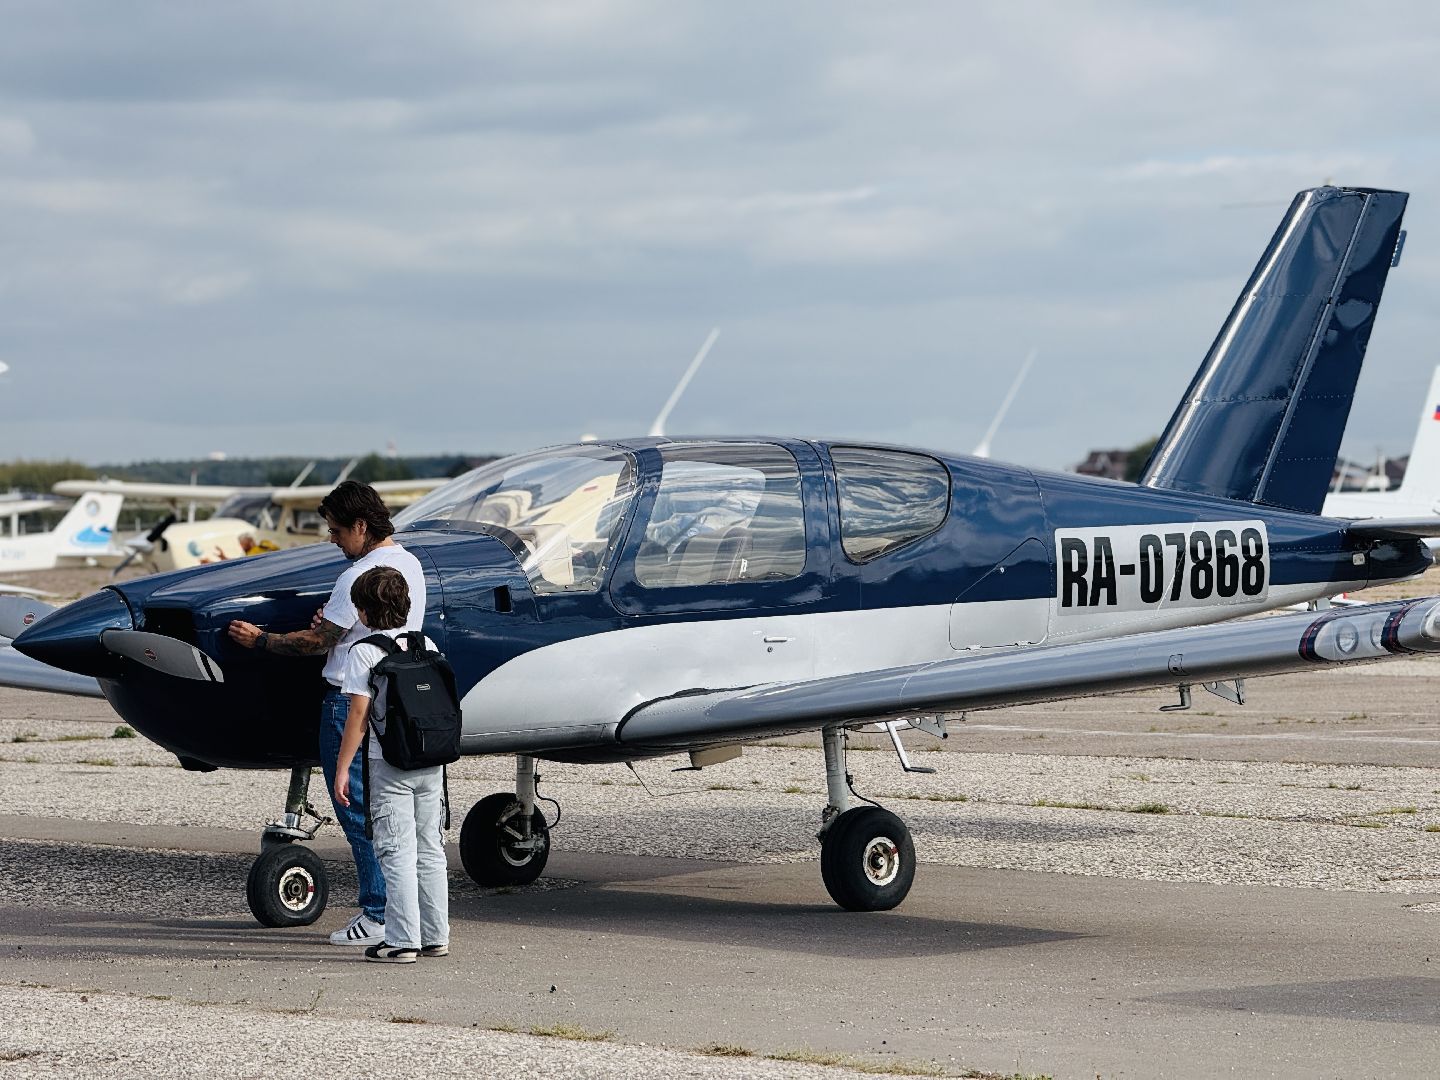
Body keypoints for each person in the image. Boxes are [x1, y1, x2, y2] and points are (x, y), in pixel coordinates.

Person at [226, 480, 426, 948]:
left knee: (355, 808)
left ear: (361, 526)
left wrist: (260, 641)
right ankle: (405, 914)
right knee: (389, 808)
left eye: (337, 531)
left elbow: (319, 643)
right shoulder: (409, 565)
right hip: (391, 697)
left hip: (348, 698)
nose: (332, 539)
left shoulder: (356, 575)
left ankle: (378, 914)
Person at [334, 565, 449, 964]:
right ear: (405, 604)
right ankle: (435, 936)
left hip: (390, 764)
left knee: (395, 852)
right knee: (430, 848)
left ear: (362, 613)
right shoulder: (427, 644)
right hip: (430, 760)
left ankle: (402, 941)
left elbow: (358, 717)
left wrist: (342, 767)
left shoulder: (363, 652)